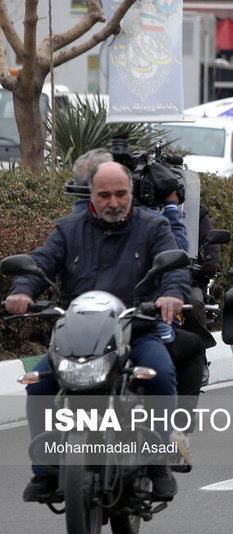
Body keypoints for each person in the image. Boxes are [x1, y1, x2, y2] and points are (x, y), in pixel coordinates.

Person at [6, 161, 189, 503]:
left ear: (130, 194)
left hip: (136, 329)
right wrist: (23, 291)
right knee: (39, 382)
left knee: (161, 375)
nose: (113, 202)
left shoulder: (154, 226)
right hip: (78, 335)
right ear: (91, 195)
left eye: (120, 193)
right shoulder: (68, 229)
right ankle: (45, 473)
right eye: (104, 195)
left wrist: (172, 295)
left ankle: (157, 462)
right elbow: (41, 263)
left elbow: (172, 266)